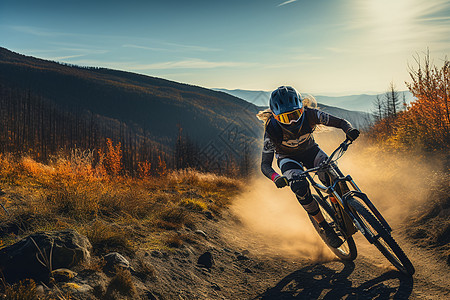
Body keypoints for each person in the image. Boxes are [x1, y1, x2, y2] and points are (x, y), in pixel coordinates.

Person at [257, 86, 360, 248]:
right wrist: (276, 177)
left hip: (311, 152)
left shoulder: (311, 114)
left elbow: (340, 122)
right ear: (275, 117)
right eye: (285, 118)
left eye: (295, 114)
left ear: (302, 109)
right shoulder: (271, 130)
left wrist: (349, 130)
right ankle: (325, 227)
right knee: (300, 188)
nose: (292, 121)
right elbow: (265, 164)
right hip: (288, 159)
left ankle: (344, 206)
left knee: (332, 174)